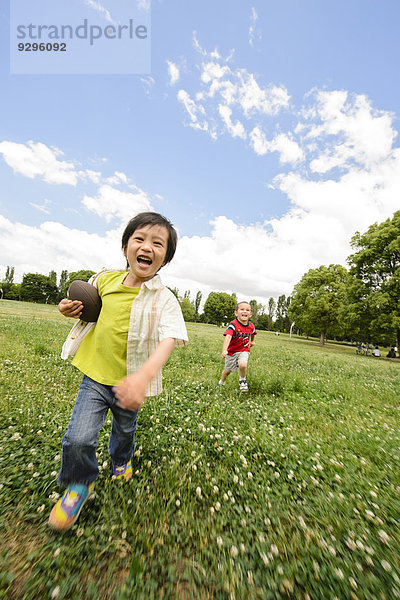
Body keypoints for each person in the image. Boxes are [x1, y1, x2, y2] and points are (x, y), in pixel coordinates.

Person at [49, 212, 188, 531]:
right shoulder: (104, 280)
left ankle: (122, 460)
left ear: (165, 259)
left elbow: (170, 339)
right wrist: (66, 308)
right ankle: (79, 484)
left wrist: (142, 378)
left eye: (158, 243)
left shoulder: (165, 300)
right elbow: (84, 310)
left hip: (130, 384)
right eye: (139, 239)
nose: (147, 247)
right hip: (95, 378)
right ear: (126, 246)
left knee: (124, 432)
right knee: (77, 438)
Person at [218, 301, 256, 392]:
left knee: (242, 365)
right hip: (232, 351)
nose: (245, 311)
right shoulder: (233, 324)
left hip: (244, 349)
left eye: (247, 310)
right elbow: (228, 336)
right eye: (242, 309)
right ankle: (222, 382)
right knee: (227, 371)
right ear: (236, 313)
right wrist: (224, 350)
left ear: (250, 314)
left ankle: (242, 380)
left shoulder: (251, 326)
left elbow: (253, 333)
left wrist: (252, 341)